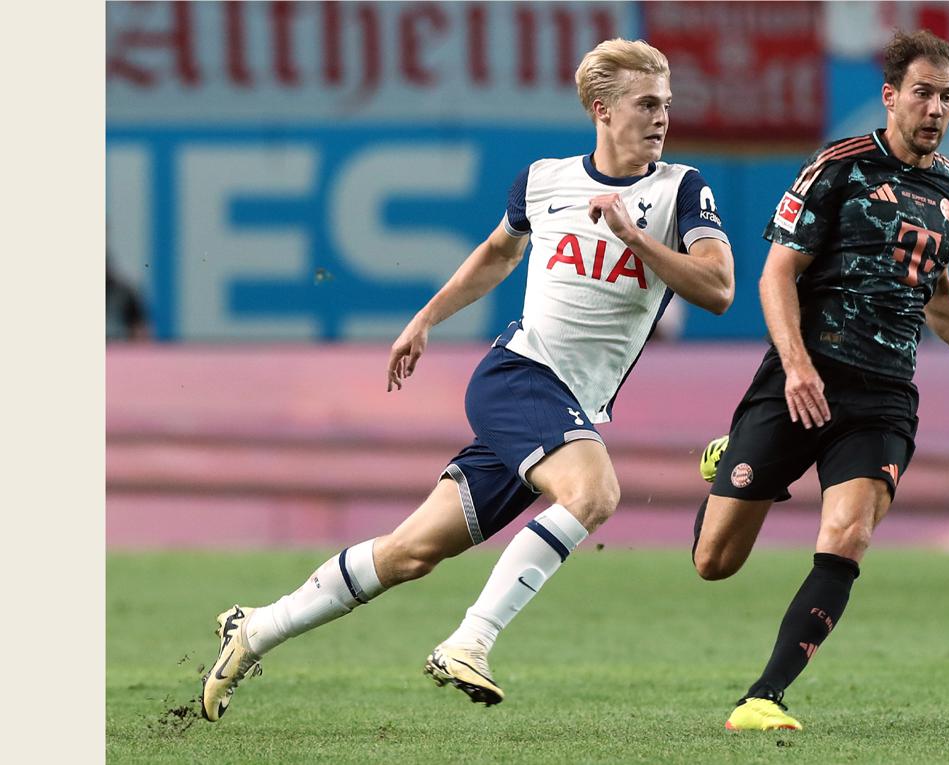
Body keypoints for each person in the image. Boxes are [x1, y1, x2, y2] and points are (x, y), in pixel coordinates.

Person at [201, 38, 735, 722]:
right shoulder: (544, 180)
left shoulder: (682, 189)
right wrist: (423, 319)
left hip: (566, 408)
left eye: (667, 103)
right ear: (602, 110)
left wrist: (635, 239)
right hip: (519, 377)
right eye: (647, 103)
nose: (662, 117)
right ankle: (471, 640)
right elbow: (495, 254)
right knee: (594, 491)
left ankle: (255, 628)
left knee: (409, 552)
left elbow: (718, 288)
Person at [692, 30, 949, 732]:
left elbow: (932, 290)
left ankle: (764, 695)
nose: (935, 108)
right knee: (714, 562)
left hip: (883, 395)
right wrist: (797, 364)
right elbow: (777, 271)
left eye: (947, 97)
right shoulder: (837, 166)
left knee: (847, 535)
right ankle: (729, 461)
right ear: (890, 96)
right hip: (803, 377)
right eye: (923, 93)